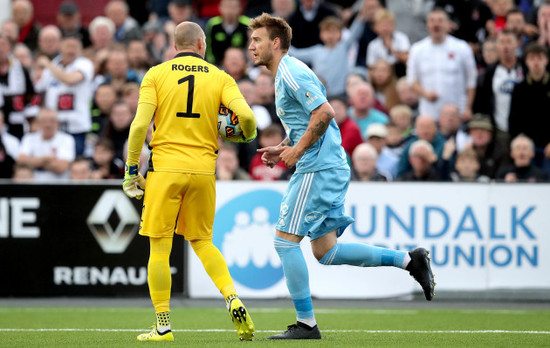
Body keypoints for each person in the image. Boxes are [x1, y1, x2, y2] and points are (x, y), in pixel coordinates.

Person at [249, 13, 435, 340]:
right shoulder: (286, 74)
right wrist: (285, 146)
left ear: (275, 43)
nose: (252, 46)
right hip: (328, 164)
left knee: (284, 241)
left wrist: (298, 150)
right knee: (326, 252)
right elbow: (311, 116)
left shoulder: (290, 71)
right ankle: (409, 260)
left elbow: (325, 112)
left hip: (318, 168)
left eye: (257, 40)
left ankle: (306, 324)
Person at [122, 21, 257, 342]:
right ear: (201, 44)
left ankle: (163, 325)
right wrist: (245, 136)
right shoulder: (221, 77)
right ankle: (231, 297)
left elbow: (139, 125)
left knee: (159, 247)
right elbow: (248, 119)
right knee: (202, 242)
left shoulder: (155, 74)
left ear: (175, 45)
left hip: (164, 170)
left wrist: (130, 170)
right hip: (203, 171)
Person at [407, 8, 477, 121]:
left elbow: (471, 81)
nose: (436, 24)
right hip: (429, 113)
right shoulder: (417, 49)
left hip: (457, 112)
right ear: (427, 24)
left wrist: (468, 107)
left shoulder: (462, 47)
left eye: (440, 20)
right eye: (432, 20)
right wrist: (425, 94)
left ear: (448, 24)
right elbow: (412, 80)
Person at [35, 36, 94, 156]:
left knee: (76, 162)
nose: (71, 51)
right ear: (60, 48)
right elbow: (39, 89)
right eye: (68, 47)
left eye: (75, 47)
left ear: (80, 50)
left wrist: (48, 65)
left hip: (76, 127)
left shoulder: (84, 64)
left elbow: (70, 79)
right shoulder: (53, 65)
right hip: (54, 127)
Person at [288, 14, 366, 97]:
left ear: (340, 34)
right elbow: (296, 54)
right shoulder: (316, 51)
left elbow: (355, 33)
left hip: (342, 94)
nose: (330, 35)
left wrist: (361, 16)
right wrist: (280, 43)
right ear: (321, 34)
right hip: (321, 95)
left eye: (333, 31)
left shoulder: (343, 47)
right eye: (327, 31)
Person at [473, 29, 524, 143]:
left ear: (517, 44)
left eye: (509, 42)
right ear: (497, 45)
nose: (506, 46)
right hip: (499, 130)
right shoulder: (488, 74)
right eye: (502, 42)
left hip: (525, 130)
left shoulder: (525, 69)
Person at [508, 43, 550, 173]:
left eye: (539, 58)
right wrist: (521, 143)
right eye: (532, 58)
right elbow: (513, 119)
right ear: (527, 61)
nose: (536, 62)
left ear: (546, 60)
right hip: (526, 146)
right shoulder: (519, 88)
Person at [17, 108, 75, 181]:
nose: (48, 124)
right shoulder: (29, 138)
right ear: (38, 123)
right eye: (44, 121)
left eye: (52, 121)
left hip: (58, 184)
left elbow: (61, 167)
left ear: (58, 123)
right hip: (33, 185)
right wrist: (47, 159)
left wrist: (33, 161)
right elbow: (21, 161)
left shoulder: (67, 139)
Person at [204, 0, 250, 65]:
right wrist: (212, 62)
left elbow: (251, 46)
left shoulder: (247, 23)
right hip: (217, 65)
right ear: (220, 8)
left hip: (243, 65)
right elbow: (207, 47)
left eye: (233, 7)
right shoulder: (213, 24)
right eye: (227, 7)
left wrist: (246, 63)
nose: (230, 11)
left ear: (240, 8)